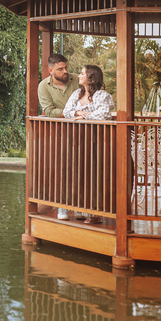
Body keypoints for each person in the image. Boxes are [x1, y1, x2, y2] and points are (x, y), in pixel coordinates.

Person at [62, 64, 114, 224]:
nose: (79, 75)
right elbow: (66, 112)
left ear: (91, 77)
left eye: (82, 73)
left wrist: (85, 117)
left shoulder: (102, 95)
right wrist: (78, 113)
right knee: (78, 174)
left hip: (96, 141)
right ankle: (80, 208)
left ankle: (95, 212)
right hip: (76, 141)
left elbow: (104, 113)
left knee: (94, 175)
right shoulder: (77, 93)